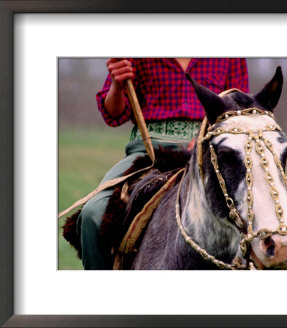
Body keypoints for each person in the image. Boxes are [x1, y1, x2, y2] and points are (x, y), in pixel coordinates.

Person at [76, 58, 250, 270]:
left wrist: (207, 137)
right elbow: (113, 114)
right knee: (93, 214)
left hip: (213, 153)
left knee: (286, 200)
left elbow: (241, 112)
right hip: (149, 152)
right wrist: (117, 84)